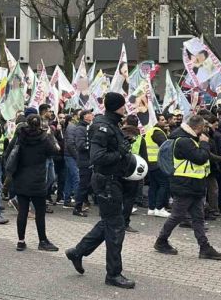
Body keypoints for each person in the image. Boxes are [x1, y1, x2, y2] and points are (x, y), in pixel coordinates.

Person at [65, 92, 137, 289]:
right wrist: (120, 152)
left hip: (113, 180)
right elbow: (97, 157)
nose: (125, 108)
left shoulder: (112, 124)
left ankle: (77, 252)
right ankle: (113, 274)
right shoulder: (102, 126)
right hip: (106, 181)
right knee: (115, 227)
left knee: (109, 223)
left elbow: (113, 150)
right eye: (123, 105)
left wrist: (124, 147)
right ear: (117, 106)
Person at [154, 115, 221, 261]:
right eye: (203, 128)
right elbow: (200, 158)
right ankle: (161, 241)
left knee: (198, 218)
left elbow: (204, 156)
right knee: (177, 216)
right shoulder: (184, 141)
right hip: (184, 185)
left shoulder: (189, 139)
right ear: (198, 127)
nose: (205, 131)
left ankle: (205, 248)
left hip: (194, 184)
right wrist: (205, 144)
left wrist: (218, 158)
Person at [7, 113, 60, 252]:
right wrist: (51, 136)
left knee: (23, 211)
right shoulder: (44, 138)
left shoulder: (19, 136)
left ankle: (21, 241)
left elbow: (9, 153)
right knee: (40, 212)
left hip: (21, 178)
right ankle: (42, 240)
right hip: (38, 179)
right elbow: (55, 151)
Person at [146, 114, 170, 217]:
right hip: (158, 162)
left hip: (151, 162)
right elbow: (165, 146)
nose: (165, 121)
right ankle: (159, 208)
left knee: (153, 186)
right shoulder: (157, 132)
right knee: (164, 184)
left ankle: (151, 208)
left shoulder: (151, 131)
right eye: (162, 120)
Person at [72, 109, 94, 217]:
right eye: (90, 113)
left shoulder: (87, 127)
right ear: (85, 116)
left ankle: (83, 204)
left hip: (88, 160)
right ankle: (77, 208)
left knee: (87, 185)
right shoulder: (81, 128)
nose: (92, 115)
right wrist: (93, 146)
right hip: (85, 161)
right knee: (83, 185)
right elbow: (80, 145)